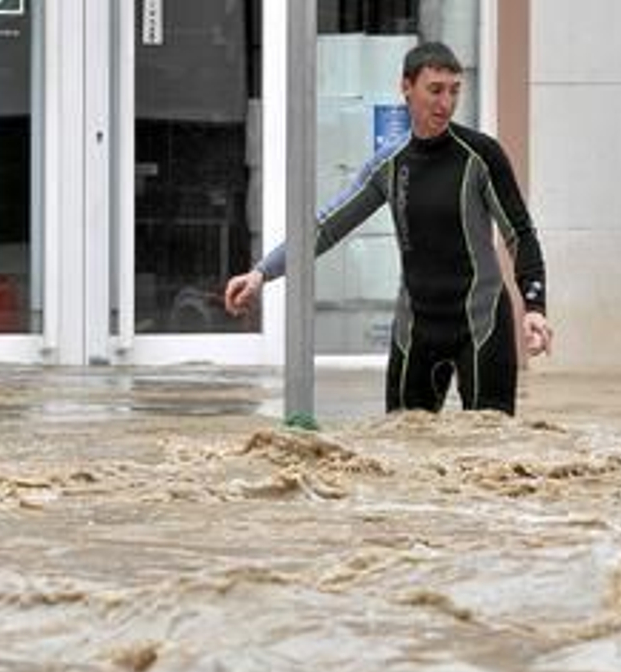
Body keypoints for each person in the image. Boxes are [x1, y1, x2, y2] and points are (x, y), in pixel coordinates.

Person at [224, 41, 553, 416]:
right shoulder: (390, 165)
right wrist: (261, 272)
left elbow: (520, 233)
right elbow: (326, 226)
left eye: (454, 91)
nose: (445, 103)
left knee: (490, 456)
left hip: (481, 327)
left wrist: (534, 306)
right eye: (435, 90)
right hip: (416, 333)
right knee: (403, 452)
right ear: (406, 87)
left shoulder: (481, 156)